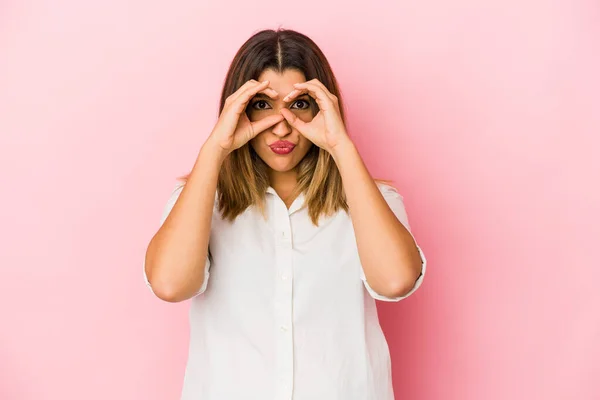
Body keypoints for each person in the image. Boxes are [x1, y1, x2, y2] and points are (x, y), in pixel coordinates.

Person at [143, 27, 427, 400]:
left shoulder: (372, 201)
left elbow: (396, 282)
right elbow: (169, 284)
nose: (281, 126)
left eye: (298, 105)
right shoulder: (200, 202)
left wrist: (341, 146)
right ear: (238, 109)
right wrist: (215, 148)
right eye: (262, 104)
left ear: (322, 108)